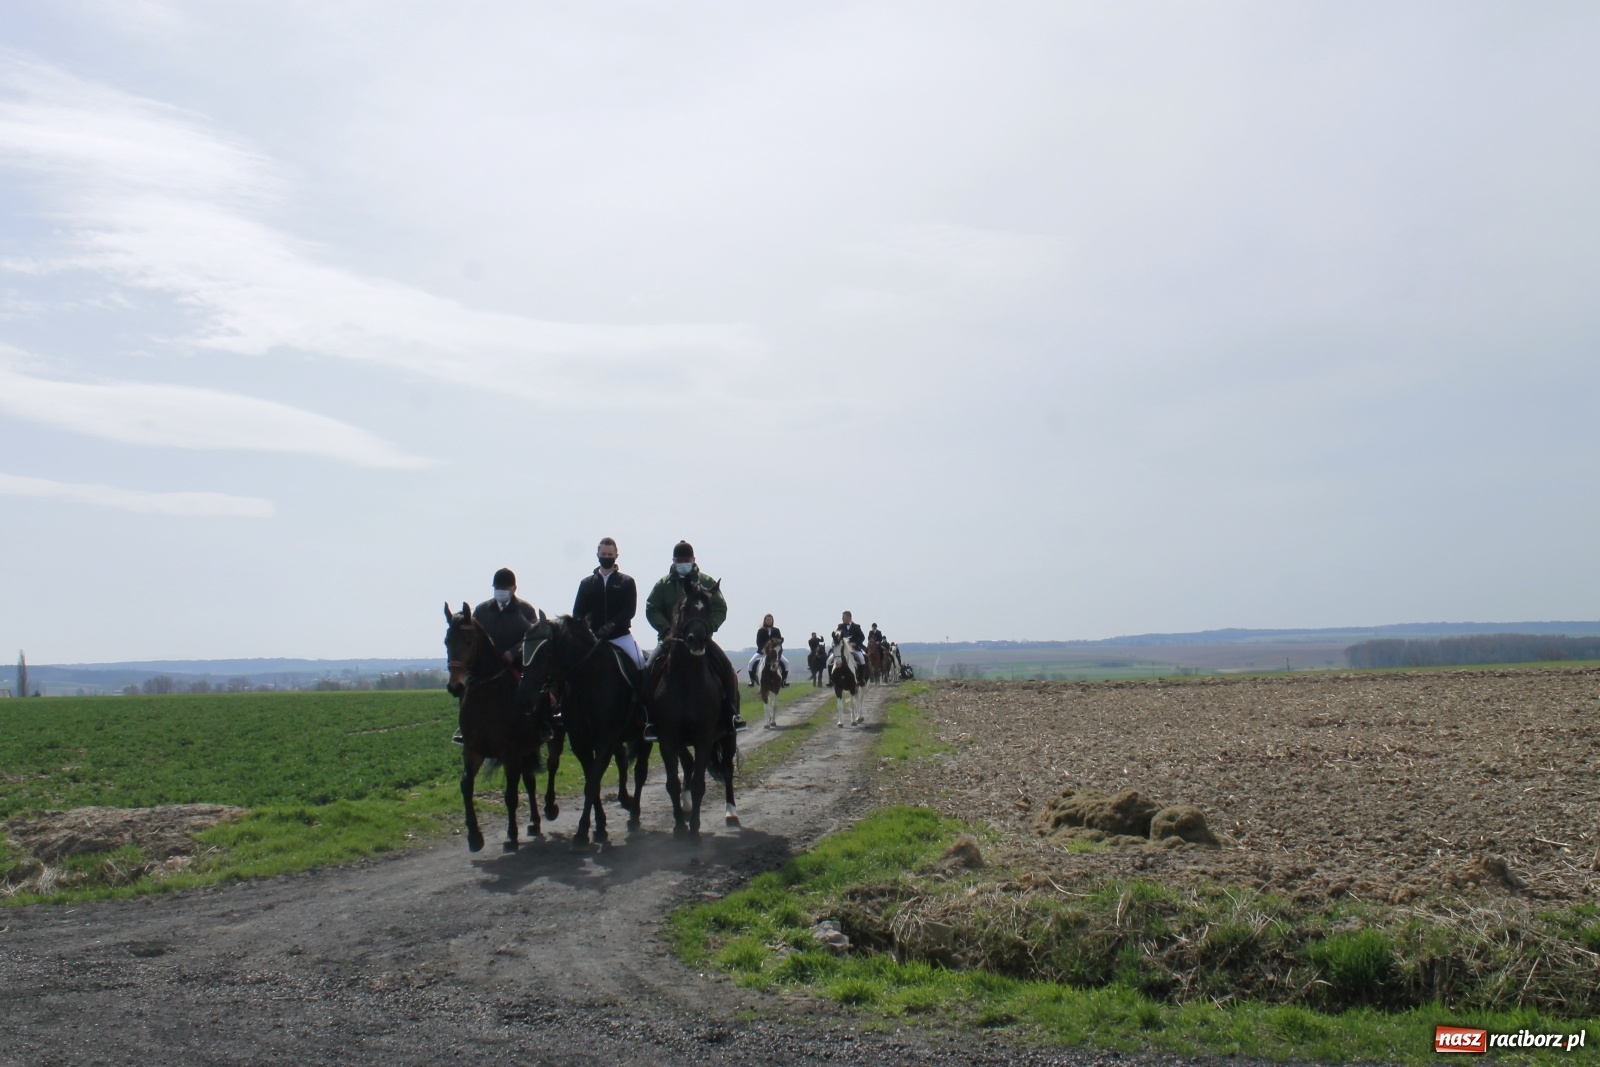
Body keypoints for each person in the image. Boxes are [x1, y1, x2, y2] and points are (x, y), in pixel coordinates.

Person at [643, 540, 746, 739]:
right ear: (673, 561)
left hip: (701, 640)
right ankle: (648, 720)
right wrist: (666, 629)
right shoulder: (662, 585)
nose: (683, 563)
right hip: (669, 641)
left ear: (693, 560)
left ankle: (732, 714)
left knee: (726, 668)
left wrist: (708, 628)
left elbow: (720, 608)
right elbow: (651, 608)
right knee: (647, 670)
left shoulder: (707, 582)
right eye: (679, 560)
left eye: (686, 560)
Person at [453, 567, 548, 745]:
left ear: (514, 589)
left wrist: (513, 652)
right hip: (487, 665)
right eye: (497, 587)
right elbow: (474, 637)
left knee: (536, 689)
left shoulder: (526, 609)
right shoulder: (481, 610)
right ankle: (465, 728)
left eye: (505, 588)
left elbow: (532, 636)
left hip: (514, 663)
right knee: (468, 689)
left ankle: (542, 726)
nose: (501, 591)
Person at [572, 537, 645, 670]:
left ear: (616, 556)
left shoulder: (627, 582)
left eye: (610, 555)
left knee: (639, 661)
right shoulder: (586, 584)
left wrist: (612, 625)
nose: (606, 557)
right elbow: (577, 613)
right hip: (593, 639)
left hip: (620, 636)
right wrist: (587, 631)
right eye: (603, 554)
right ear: (597, 555)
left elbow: (629, 610)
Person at [745, 614, 789, 686]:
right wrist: (763, 649)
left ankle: (784, 681)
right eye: (767, 620)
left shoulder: (776, 630)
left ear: (772, 621)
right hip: (762, 652)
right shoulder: (761, 631)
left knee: (786, 663)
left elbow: (779, 642)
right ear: (765, 621)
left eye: (770, 620)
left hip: (775, 653)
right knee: (750, 663)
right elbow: (758, 642)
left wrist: (778, 651)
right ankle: (752, 680)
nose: (769, 621)